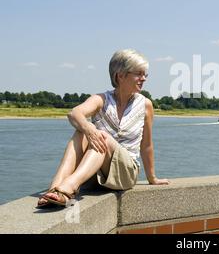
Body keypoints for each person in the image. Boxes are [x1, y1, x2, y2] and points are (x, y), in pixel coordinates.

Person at [37, 49, 169, 208]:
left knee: (101, 136)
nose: (144, 79)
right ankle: (56, 188)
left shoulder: (145, 105)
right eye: (139, 74)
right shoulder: (101, 99)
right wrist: (88, 128)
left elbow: (146, 145)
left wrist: (152, 178)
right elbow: (74, 113)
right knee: (82, 132)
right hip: (94, 173)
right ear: (120, 75)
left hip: (125, 172)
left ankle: (68, 187)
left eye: (145, 75)